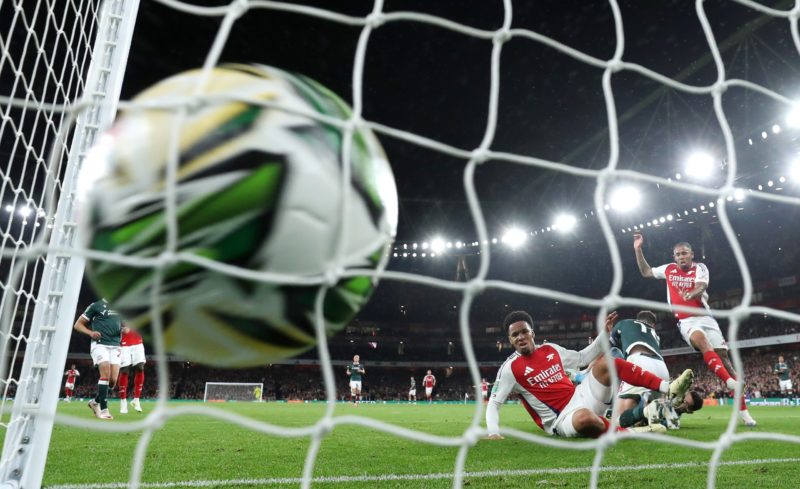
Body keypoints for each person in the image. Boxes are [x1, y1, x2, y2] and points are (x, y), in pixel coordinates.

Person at [485, 311, 694, 439]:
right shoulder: (510, 369)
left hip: (581, 395)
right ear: (510, 340)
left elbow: (583, 358)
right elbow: (494, 403)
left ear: (532, 333)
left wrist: (603, 334)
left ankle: (669, 387)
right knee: (585, 418)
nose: (521, 337)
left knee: (607, 364)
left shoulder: (551, 350)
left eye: (524, 332)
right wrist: (493, 431)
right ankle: (633, 432)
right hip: (561, 419)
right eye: (515, 335)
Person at [633, 233, 757, 426]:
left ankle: (743, 411)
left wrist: (689, 293)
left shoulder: (700, 268)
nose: (681, 257)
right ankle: (730, 383)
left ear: (692, 254)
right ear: (674, 257)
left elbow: (701, 286)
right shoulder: (669, 269)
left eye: (684, 253)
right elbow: (646, 271)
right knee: (702, 342)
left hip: (706, 317)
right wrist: (638, 249)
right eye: (678, 254)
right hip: (687, 321)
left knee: (726, 360)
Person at [608, 310, 675, 429]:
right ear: (653, 325)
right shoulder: (655, 335)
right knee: (657, 402)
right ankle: (669, 420)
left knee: (618, 418)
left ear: (637, 318)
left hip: (639, 361)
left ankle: (641, 416)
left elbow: (609, 346)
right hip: (662, 367)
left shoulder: (625, 323)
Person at [73, 298, 127, 420]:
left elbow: (125, 325)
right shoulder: (96, 306)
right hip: (100, 344)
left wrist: (126, 329)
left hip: (116, 346)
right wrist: (90, 333)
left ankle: (94, 402)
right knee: (105, 372)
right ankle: (104, 410)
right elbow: (78, 325)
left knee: (112, 382)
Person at [118, 327, 146, 414]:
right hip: (124, 344)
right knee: (124, 370)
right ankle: (123, 401)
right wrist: (121, 328)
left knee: (140, 368)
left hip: (138, 342)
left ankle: (136, 399)